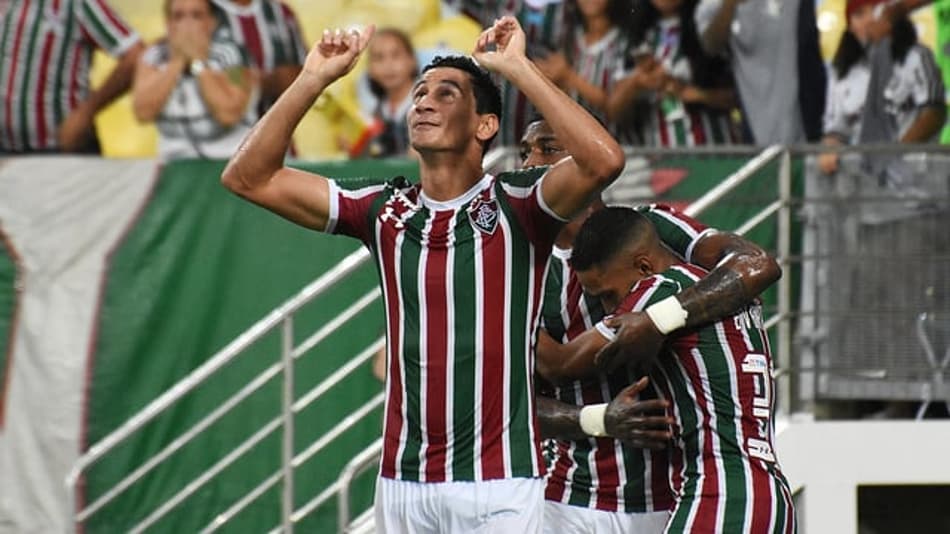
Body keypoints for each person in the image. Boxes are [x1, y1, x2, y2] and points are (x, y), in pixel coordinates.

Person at [221, 16, 626, 531]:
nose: (424, 102)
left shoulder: (519, 205)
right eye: (418, 94)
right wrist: (313, 79)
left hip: (500, 482)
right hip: (402, 485)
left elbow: (603, 162)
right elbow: (247, 177)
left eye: (446, 93)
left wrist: (517, 68)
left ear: (485, 126)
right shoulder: (382, 209)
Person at [521, 118, 785, 533]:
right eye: (524, 151)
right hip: (575, 498)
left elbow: (759, 264)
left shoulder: (651, 255)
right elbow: (511, 402)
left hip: (692, 495)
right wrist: (599, 418)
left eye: (546, 148)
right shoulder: (519, 264)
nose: (529, 162)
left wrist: (656, 321)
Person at [564, 206, 797, 533]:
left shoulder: (658, 290)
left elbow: (562, 365)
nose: (608, 307)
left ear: (644, 266)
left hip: (721, 497)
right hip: (762, 492)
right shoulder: (713, 287)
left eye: (606, 295)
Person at [818, 0, 946, 175]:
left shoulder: (917, 58)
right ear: (850, 27)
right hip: (859, 180)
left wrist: (895, 153)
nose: (870, 20)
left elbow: (934, 113)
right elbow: (836, 130)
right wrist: (830, 149)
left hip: (914, 176)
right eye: (859, 15)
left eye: (876, 11)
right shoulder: (841, 72)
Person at [0, 0, 144, 153]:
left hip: (59, 149)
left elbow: (135, 56)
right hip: (6, 150)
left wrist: (85, 112)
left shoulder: (77, 4)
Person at [133, 0, 256, 160]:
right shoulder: (151, 57)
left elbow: (230, 114)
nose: (187, 24)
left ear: (211, 22)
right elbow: (143, 112)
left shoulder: (234, 55)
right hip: (174, 164)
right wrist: (177, 62)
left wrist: (198, 63)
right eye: (178, 16)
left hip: (231, 162)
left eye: (196, 16)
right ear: (168, 24)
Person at [608, 0, 739, 147]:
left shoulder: (711, 25)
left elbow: (740, 97)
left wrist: (696, 94)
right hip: (661, 157)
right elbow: (614, 112)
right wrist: (637, 82)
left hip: (716, 151)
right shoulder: (633, 36)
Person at [695, 0, 826, 144]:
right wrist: (729, 5)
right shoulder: (712, 5)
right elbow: (710, 46)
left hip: (812, 126)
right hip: (756, 130)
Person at [449, 0, 568, 145]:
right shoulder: (497, 6)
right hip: (496, 127)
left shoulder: (568, 11)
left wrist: (565, 74)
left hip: (545, 121)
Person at [534, 0, 633, 129]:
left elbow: (615, 107)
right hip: (575, 140)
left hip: (614, 140)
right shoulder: (568, 38)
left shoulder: (625, 42)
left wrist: (569, 77)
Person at [210, 0, 306, 116]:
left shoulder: (279, 12)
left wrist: (262, 82)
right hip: (227, 131)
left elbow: (304, 76)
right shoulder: (199, 12)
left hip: (279, 127)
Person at [358, 27, 419, 158]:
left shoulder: (428, 105)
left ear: (412, 60)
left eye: (396, 55)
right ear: (370, 69)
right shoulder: (374, 115)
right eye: (379, 58)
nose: (388, 65)